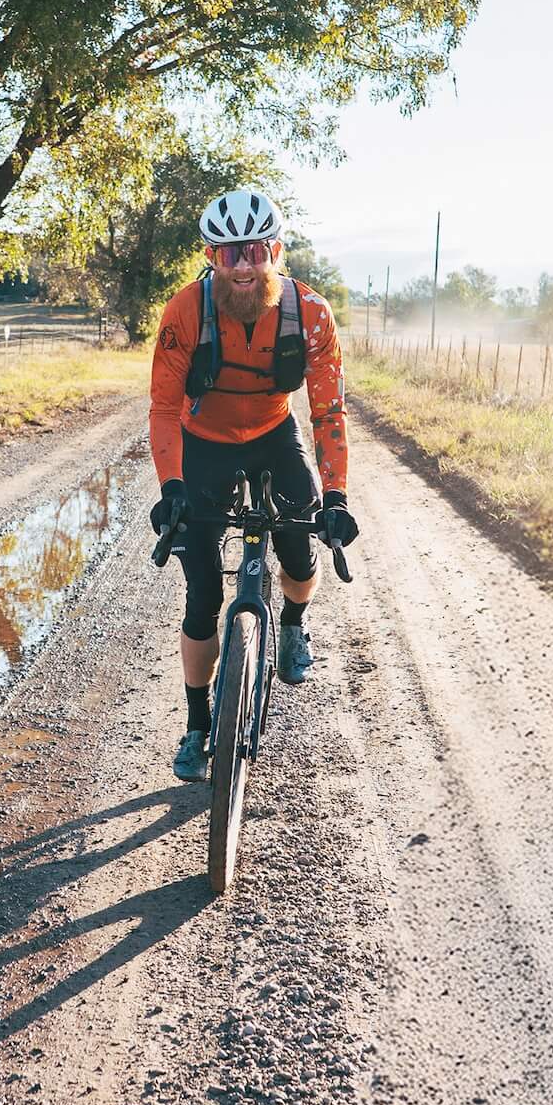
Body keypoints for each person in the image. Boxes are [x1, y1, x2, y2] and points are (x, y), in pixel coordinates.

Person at [145, 188, 360, 782]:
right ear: (211, 257)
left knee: (301, 542)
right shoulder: (184, 312)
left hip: (272, 431)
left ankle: (292, 624)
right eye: (228, 253)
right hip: (203, 441)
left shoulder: (310, 312)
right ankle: (195, 726)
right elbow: (164, 409)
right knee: (201, 597)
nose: (243, 265)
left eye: (255, 251)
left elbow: (329, 412)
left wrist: (336, 495)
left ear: (277, 251)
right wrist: (172, 489)